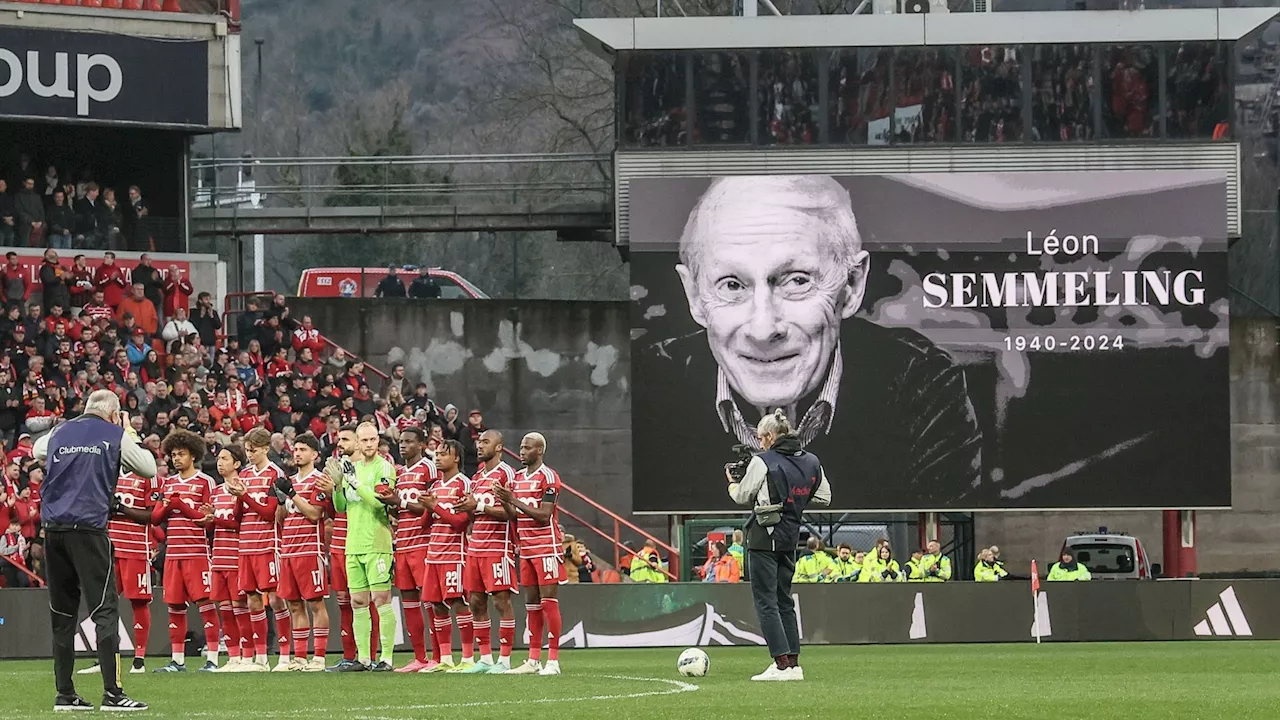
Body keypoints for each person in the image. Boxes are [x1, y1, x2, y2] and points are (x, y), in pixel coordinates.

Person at [635, 174, 982, 512]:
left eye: (797, 281)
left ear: (852, 286)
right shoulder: (651, 384)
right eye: (731, 285)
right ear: (694, 296)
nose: (762, 328)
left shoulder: (921, 384)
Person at [35, 389, 154, 711]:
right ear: (114, 414)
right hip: (88, 529)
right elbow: (148, 468)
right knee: (104, 609)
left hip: (54, 530)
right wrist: (127, 433)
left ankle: (65, 694)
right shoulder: (115, 434)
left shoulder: (61, 431)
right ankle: (113, 693)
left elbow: (38, 449)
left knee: (62, 614)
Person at [727, 409, 830, 682]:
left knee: (766, 601)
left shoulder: (763, 461)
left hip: (764, 536)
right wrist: (793, 501)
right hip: (790, 537)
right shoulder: (812, 461)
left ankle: (780, 663)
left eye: (761, 438)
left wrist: (732, 484)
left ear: (770, 436)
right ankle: (794, 663)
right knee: (785, 600)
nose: (759, 444)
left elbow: (742, 496)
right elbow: (824, 497)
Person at [328, 421, 399, 671]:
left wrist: (353, 481)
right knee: (358, 601)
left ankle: (387, 658)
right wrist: (338, 485)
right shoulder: (351, 468)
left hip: (377, 542)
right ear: (358, 443)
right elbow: (340, 507)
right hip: (353, 543)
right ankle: (364, 658)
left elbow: (380, 503)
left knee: (381, 599)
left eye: (372, 440)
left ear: (378, 441)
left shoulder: (385, 468)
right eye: (364, 440)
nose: (369, 444)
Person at [494, 432, 564, 676]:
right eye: (521, 447)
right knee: (531, 604)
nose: (522, 451)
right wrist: (504, 500)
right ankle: (533, 660)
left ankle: (553, 660)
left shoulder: (549, 477)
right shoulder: (517, 478)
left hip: (547, 548)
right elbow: (514, 516)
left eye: (527, 448)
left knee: (548, 602)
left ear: (540, 451)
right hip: (526, 549)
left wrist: (513, 499)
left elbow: (545, 516)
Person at [76, 472, 159, 676]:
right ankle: (105, 657)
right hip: (109, 549)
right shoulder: (108, 472)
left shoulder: (148, 475)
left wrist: (122, 508)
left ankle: (139, 659)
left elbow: (153, 515)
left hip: (137, 549)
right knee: (103, 603)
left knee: (138, 602)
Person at [150, 430, 220, 673]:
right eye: (173, 455)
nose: (176, 459)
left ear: (193, 455)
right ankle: (177, 660)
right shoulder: (167, 483)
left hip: (197, 553)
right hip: (173, 554)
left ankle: (212, 658)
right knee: (175, 606)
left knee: (205, 604)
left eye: (181, 454)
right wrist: (168, 505)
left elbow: (208, 519)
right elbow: (155, 517)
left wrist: (180, 505)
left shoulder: (205, 482)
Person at [222, 428, 284, 671]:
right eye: (247, 450)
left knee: (277, 599)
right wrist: (238, 498)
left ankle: (285, 656)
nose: (249, 455)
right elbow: (238, 517)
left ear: (266, 448)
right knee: (252, 600)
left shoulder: (275, 474)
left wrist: (244, 495)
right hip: (245, 545)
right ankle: (260, 659)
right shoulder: (244, 474)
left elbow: (269, 513)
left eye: (254, 450)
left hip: (268, 544)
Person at [460, 429, 517, 673]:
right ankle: (485, 658)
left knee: (501, 602)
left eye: (486, 442)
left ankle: (504, 660)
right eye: (478, 442)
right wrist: (466, 506)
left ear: (499, 447)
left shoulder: (507, 474)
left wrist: (479, 505)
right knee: (475, 602)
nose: (480, 446)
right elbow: (474, 514)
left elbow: (512, 513)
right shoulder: (477, 477)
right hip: (476, 547)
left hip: (498, 548)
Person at [418, 439, 476, 672]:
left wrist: (436, 507)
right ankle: (445, 658)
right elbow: (424, 524)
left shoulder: (464, 484)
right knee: (436, 605)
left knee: (459, 603)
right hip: (433, 555)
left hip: (455, 554)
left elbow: (461, 523)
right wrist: (428, 506)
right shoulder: (434, 487)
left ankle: (469, 658)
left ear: (456, 458)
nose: (438, 457)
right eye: (437, 453)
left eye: (444, 454)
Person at [275, 433, 331, 671]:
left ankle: (318, 657)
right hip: (288, 550)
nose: (297, 453)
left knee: (316, 604)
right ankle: (299, 657)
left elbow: (315, 514)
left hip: (310, 550)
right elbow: (280, 520)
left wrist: (292, 494)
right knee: (295, 605)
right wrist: (279, 499)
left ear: (315, 455)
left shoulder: (320, 480)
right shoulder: (288, 480)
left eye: (303, 450)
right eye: (295, 449)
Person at [388, 426, 439, 673]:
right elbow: (399, 509)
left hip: (423, 542)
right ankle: (420, 657)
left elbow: (429, 507)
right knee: (408, 599)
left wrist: (400, 501)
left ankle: (439, 656)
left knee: (429, 600)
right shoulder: (398, 473)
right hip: (403, 543)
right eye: (401, 441)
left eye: (408, 441)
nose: (403, 445)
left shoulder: (428, 468)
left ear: (421, 445)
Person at [208, 445, 256, 672]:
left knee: (240, 607)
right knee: (224, 609)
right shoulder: (216, 491)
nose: (220, 463)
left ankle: (248, 656)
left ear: (237, 464)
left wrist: (216, 520)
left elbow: (240, 523)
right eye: (218, 459)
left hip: (237, 556)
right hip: (218, 557)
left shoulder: (243, 488)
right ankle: (233, 657)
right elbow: (213, 522)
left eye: (225, 459)